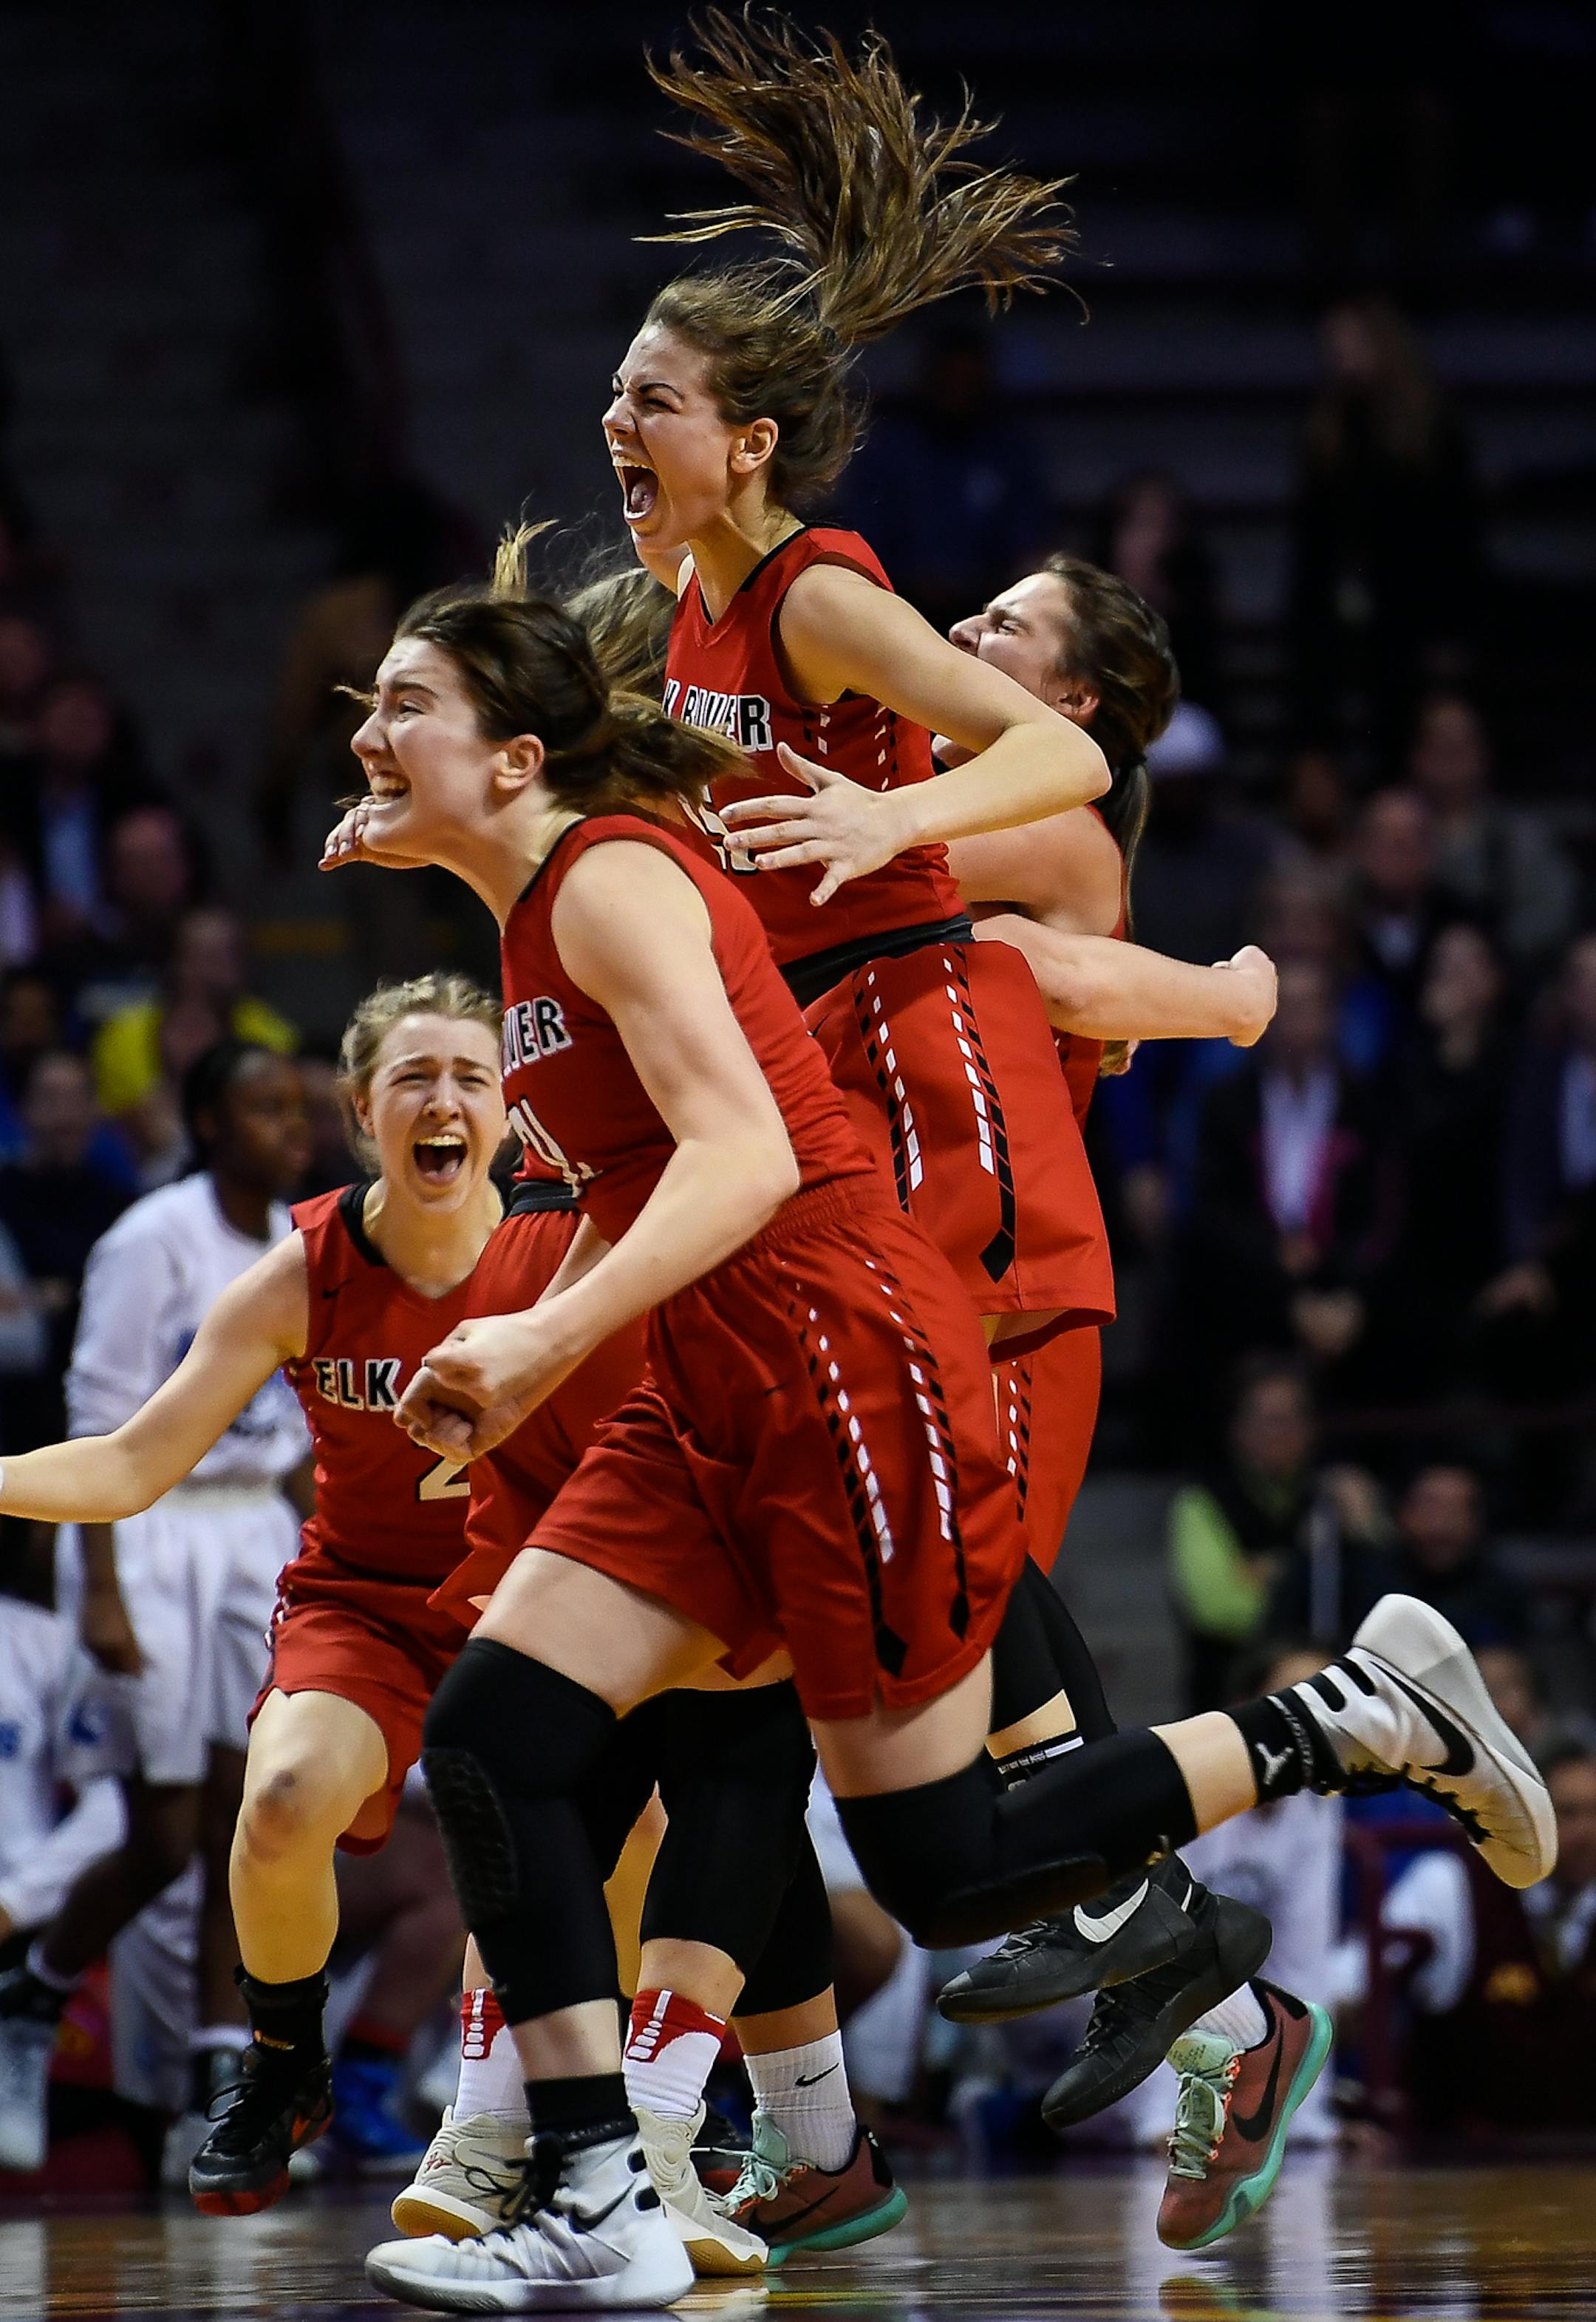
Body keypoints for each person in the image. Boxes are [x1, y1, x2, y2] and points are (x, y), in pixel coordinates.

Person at [321, 537, 1551, 2314]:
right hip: (733, 1367)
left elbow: (798, 1091)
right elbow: (656, 1125)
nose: (368, 731)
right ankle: (616, 2166)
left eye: (405, 706)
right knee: (510, 1729)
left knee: (944, 1845)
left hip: (896, 1331)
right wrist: (526, 1332)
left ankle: (1345, 1720)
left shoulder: (830, 829)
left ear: (519, 750)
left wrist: (1222, 992)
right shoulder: (586, 890)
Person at [0, 1042, 310, 2182]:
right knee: (165, 1831)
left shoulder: (303, 1230)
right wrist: (102, 1587)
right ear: (205, 1122)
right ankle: (33, 1993)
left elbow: (307, 1424)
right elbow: (98, 1418)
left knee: (251, 1824)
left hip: (256, 1529)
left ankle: (224, 2080)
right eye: (264, 1105)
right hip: (153, 1524)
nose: (291, 1123)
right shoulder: (151, 1237)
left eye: (296, 1105)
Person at [1377, 1742, 1596, 2137]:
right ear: (1524, 1815)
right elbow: (1355, 1989)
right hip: (1454, 2167)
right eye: (1569, 1814)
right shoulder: (1450, 1882)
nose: (1588, 1832)